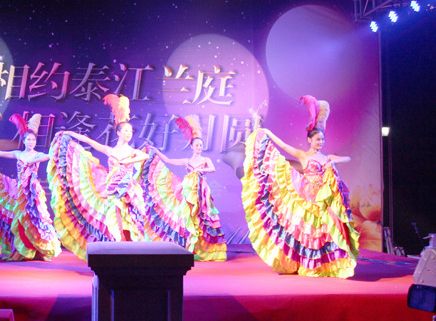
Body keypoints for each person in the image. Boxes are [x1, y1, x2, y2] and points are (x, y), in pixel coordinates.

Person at [241, 95, 359, 278]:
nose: (320, 143)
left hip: (323, 199)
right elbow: (283, 146)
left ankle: (325, 263)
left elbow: (347, 158)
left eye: (322, 140)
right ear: (309, 140)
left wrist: (332, 163)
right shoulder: (303, 155)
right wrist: (268, 133)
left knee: (326, 230)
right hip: (307, 197)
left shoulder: (326, 157)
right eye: (318, 139)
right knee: (307, 231)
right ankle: (305, 262)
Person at [48, 94, 172, 260]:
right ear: (118, 132)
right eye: (125, 131)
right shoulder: (110, 150)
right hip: (113, 191)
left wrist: (127, 161)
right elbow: (89, 141)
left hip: (128, 190)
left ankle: (133, 250)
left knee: (132, 219)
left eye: (131, 131)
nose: (129, 133)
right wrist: (69, 133)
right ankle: (119, 250)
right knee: (115, 219)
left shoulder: (132, 151)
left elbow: (144, 156)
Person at [0, 113, 62, 261]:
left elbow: (48, 156)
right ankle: (21, 250)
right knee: (21, 219)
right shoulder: (18, 154)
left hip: (32, 191)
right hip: (20, 190)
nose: (31, 142)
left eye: (33, 140)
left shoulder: (37, 155)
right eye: (28, 139)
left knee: (36, 219)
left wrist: (57, 147)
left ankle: (39, 250)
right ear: (24, 140)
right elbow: (0, 153)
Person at [141, 115, 227, 261]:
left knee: (202, 217)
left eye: (201, 145)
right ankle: (188, 247)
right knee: (188, 217)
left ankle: (203, 249)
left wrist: (201, 170)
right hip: (188, 191)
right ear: (192, 147)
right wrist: (156, 151)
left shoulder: (205, 160)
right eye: (197, 145)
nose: (199, 147)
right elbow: (168, 160)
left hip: (201, 191)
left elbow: (212, 169)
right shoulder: (187, 161)